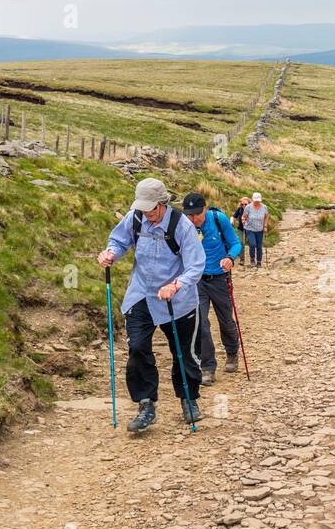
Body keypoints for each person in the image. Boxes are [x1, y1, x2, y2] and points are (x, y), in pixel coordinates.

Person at [96, 178, 206, 433]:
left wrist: (176, 285)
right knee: (137, 348)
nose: (148, 214)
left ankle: (188, 399)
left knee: (183, 352)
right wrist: (110, 253)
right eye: (143, 208)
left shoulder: (181, 225)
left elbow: (195, 265)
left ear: (162, 203)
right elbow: (119, 241)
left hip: (177, 299)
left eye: (152, 209)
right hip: (141, 295)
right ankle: (146, 405)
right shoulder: (135, 218)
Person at [181, 192, 243, 385]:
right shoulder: (184, 225)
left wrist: (230, 258)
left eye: (197, 214)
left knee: (225, 320)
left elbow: (235, 243)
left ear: (205, 209)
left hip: (219, 278)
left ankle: (232, 352)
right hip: (197, 281)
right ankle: (207, 366)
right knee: (201, 323)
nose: (193, 219)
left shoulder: (218, 218)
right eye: (189, 215)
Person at [243, 192, 269, 268]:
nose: (257, 201)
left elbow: (266, 216)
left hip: (260, 229)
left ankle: (259, 261)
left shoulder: (264, 207)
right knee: (252, 244)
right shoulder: (248, 207)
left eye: (258, 200)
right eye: (255, 200)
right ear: (252, 200)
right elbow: (244, 216)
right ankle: (252, 259)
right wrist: (243, 220)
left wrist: (265, 226)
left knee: (259, 246)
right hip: (250, 228)